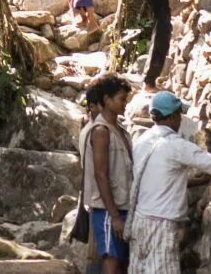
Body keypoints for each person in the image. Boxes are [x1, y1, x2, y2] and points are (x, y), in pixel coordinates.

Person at [130, 92, 211, 274]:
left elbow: (157, 178)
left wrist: (192, 182)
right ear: (173, 116)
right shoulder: (175, 145)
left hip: (140, 220)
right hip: (161, 224)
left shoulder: (142, 140)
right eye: (179, 115)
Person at [77, 74, 135, 274]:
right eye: (121, 98)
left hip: (123, 206)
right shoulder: (101, 131)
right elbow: (100, 175)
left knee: (122, 262)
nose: (125, 103)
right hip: (108, 210)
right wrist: (114, 216)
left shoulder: (121, 131)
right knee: (111, 260)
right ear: (107, 100)